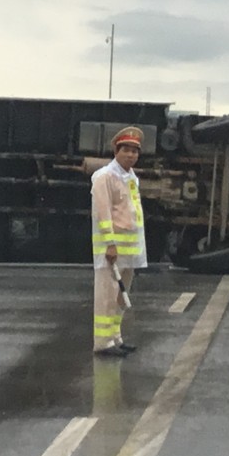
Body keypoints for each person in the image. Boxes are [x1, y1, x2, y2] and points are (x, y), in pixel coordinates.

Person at [90, 126, 147, 357]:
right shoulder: (104, 177)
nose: (131, 155)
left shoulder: (131, 177)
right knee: (106, 296)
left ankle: (115, 337)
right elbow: (103, 213)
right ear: (116, 151)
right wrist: (110, 244)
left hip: (130, 250)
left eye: (135, 151)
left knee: (120, 297)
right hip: (112, 250)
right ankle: (103, 343)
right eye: (126, 150)